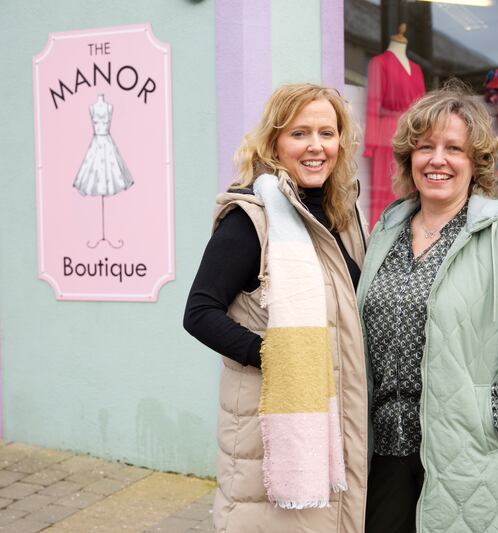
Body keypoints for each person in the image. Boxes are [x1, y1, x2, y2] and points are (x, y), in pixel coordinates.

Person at [357, 81, 498, 533]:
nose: (438, 159)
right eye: (425, 147)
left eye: (454, 149)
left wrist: (490, 419)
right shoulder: (385, 232)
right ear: (410, 158)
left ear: (475, 162)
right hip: (385, 449)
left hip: (466, 452)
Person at [183, 84, 368, 533]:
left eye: (328, 132)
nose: (316, 146)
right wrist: (277, 355)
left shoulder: (342, 215)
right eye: (300, 133)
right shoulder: (252, 219)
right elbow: (199, 312)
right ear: (274, 143)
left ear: (341, 142)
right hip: (270, 435)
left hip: (340, 416)